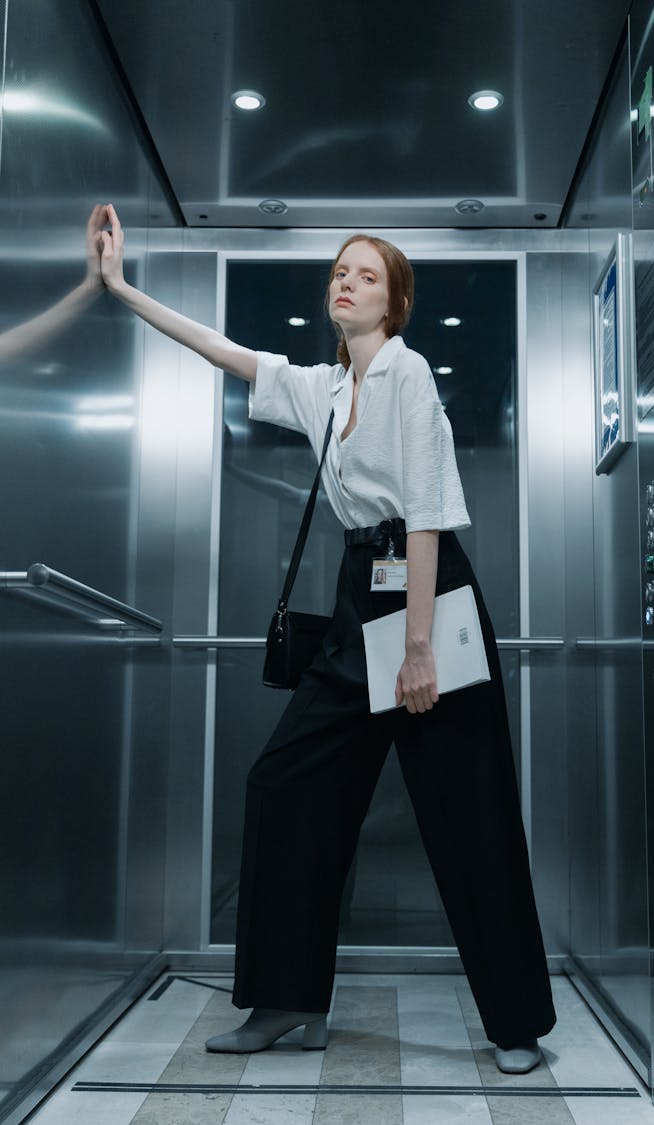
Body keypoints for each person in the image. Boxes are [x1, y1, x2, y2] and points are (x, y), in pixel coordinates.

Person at [98, 207, 556, 1073]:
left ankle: (517, 1024)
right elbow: (222, 350)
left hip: (430, 594)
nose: (345, 281)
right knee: (284, 784)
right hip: (359, 599)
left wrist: (419, 647)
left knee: (472, 814)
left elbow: (425, 513)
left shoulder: (409, 373)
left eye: (367, 274)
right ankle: (287, 1002)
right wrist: (122, 288)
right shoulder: (325, 387)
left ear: (395, 303)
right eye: (339, 271)